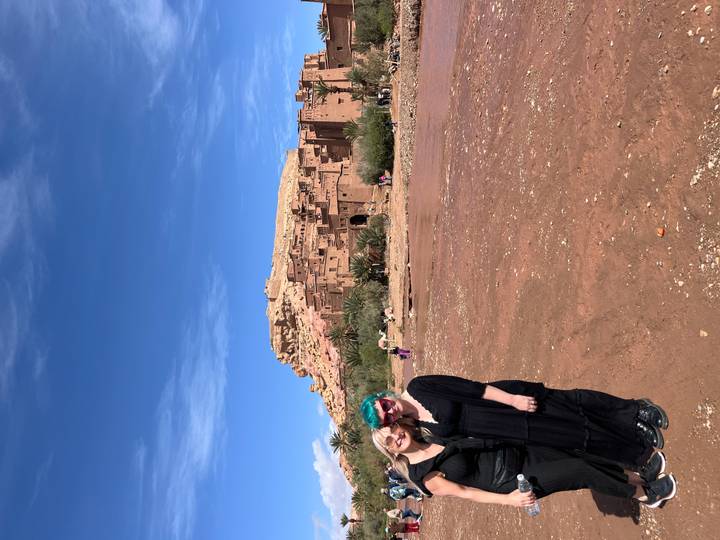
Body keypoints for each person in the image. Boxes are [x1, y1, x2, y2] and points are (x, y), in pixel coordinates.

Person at [360, 375, 668, 469]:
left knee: (570, 403)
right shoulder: (417, 429)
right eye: (387, 416)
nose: (391, 410)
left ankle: (634, 412)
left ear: (384, 396)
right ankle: (635, 447)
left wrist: (512, 400)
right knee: (573, 433)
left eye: (385, 404)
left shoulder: (418, 387)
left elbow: (470, 388)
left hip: (506, 402)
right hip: (508, 429)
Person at [373, 420, 677, 510]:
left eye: (394, 429)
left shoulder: (429, 434)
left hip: (515, 450)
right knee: (577, 471)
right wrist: (509, 499)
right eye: (389, 440)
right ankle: (644, 495)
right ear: (389, 450)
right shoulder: (423, 477)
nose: (396, 437)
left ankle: (637, 478)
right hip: (514, 480)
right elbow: (465, 492)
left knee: (579, 456)